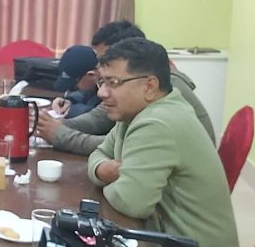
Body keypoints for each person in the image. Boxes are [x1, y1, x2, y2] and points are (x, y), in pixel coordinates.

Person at [87, 38, 242, 247]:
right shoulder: (136, 112)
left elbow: (131, 202)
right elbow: (98, 155)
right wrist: (105, 169)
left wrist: (114, 178)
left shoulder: (157, 122)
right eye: (102, 82)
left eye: (113, 83)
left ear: (149, 86)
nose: (102, 92)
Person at [36, 21, 215, 155]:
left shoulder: (162, 87)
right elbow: (99, 119)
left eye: (106, 59)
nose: (99, 67)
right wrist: (53, 125)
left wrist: (61, 135)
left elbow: (121, 148)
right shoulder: (131, 84)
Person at [49, 45, 100, 119]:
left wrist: (72, 111)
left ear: (91, 75)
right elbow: (88, 93)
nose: (74, 88)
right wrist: (70, 100)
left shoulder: (110, 89)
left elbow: (98, 114)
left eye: (75, 85)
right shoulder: (92, 84)